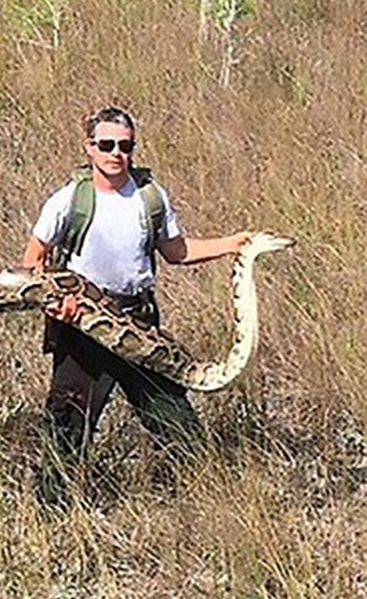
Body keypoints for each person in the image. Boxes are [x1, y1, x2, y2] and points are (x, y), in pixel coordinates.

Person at [22, 106, 251, 504]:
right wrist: (57, 305)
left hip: (139, 325)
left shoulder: (149, 197)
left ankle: (203, 502)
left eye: (125, 146)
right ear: (88, 148)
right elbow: (33, 260)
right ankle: (53, 518)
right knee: (67, 428)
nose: (116, 154)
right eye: (106, 145)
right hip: (83, 329)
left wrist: (232, 244)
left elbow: (176, 251)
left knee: (176, 421)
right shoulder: (68, 200)